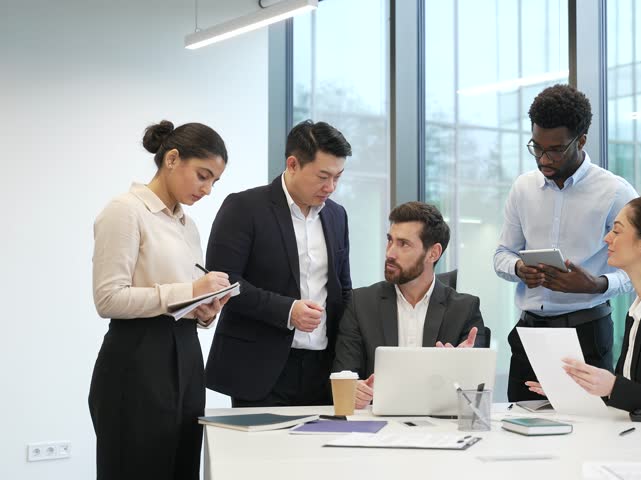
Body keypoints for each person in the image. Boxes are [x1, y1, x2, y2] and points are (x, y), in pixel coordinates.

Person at [89, 120, 230, 479]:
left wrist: (206, 310)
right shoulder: (125, 210)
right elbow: (108, 298)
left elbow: (182, 300)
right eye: (203, 175)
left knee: (181, 467)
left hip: (185, 355)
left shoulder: (188, 225)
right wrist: (189, 292)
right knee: (136, 467)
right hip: (136, 358)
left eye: (215, 181)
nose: (208, 189)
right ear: (171, 159)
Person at [493, 84, 637, 402]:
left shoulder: (615, 192)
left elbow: (638, 271)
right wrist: (519, 268)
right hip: (529, 332)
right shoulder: (523, 188)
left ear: (581, 140)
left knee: (586, 433)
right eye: (536, 147)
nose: (543, 159)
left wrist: (597, 284)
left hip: (586, 332)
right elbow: (502, 254)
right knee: (519, 426)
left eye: (555, 149)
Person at [528, 197, 641, 428]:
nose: (607, 238)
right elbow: (637, 394)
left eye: (617, 231)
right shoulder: (640, 308)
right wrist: (574, 390)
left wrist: (614, 386)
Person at [205, 120, 352, 407]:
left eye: (338, 177)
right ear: (293, 164)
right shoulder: (244, 208)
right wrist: (287, 310)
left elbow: (342, 289)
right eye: (323, 176)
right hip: (260, 369)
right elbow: (223, 284)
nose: (331, 187)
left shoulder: (337, 215)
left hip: (322, 369)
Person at [333, 202, 486, 409]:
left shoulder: (465, 309)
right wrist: (355, 390)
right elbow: (344, 373)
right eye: (390, 240)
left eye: (403, 244)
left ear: (433, 253)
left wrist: (468, 367)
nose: (390, 253)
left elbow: (475, 397)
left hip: (440, 427)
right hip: (377, 426)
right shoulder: (361, 303)